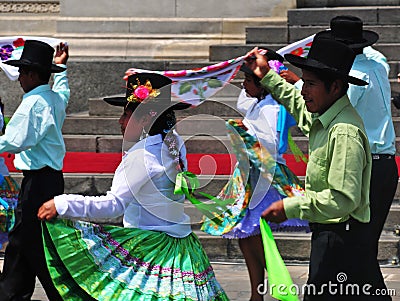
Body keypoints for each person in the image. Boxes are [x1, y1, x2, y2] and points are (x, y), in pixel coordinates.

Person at [37, 73, 229, 300]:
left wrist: (62, 203)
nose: (120, 121)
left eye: (126, 114)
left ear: (145, 119)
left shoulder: (142, 156)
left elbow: (113, 205)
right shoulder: (173, 142)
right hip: (182, 247)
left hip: (152, 249)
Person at [246, 34, 375, 300]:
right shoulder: (326, 118)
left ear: (336, 87)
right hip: (330, 235)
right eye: (304, 82)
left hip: (341, 240)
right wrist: (267, 75)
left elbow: (342, 199)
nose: (303, 90)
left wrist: (289, 206)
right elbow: (298, 106)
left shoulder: (344, 132)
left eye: (311, 84)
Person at [202, 49, 308, 301]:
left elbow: (269, 146)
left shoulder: (273, 108)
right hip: (251, 174)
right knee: (247, 237)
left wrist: (244, 133)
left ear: (263, 85)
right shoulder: (259, 101)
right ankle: (256, 293)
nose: (243, 85)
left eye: (248, 80)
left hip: (264, 176)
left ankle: (277, 285)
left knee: (253, 234)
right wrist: (258, 66)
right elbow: (242, 101)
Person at [317, 15, 397, 299]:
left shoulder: (354, 78)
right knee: (360, 247)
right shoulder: (377, 64)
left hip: (368, 166)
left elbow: (328, 109)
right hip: (383, 165)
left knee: (358, 249)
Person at [0, 40, 69, 301]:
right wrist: (63, 69)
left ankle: (60, 294)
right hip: (49, 180)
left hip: (38, 182)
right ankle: (12, 293)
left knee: (30, 241)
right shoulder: (51, 98)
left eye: (21, 73)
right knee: (25, 241)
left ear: (31, 74)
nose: (18, 78)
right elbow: (64, 94)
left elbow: (16, 140)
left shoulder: (33, 103)